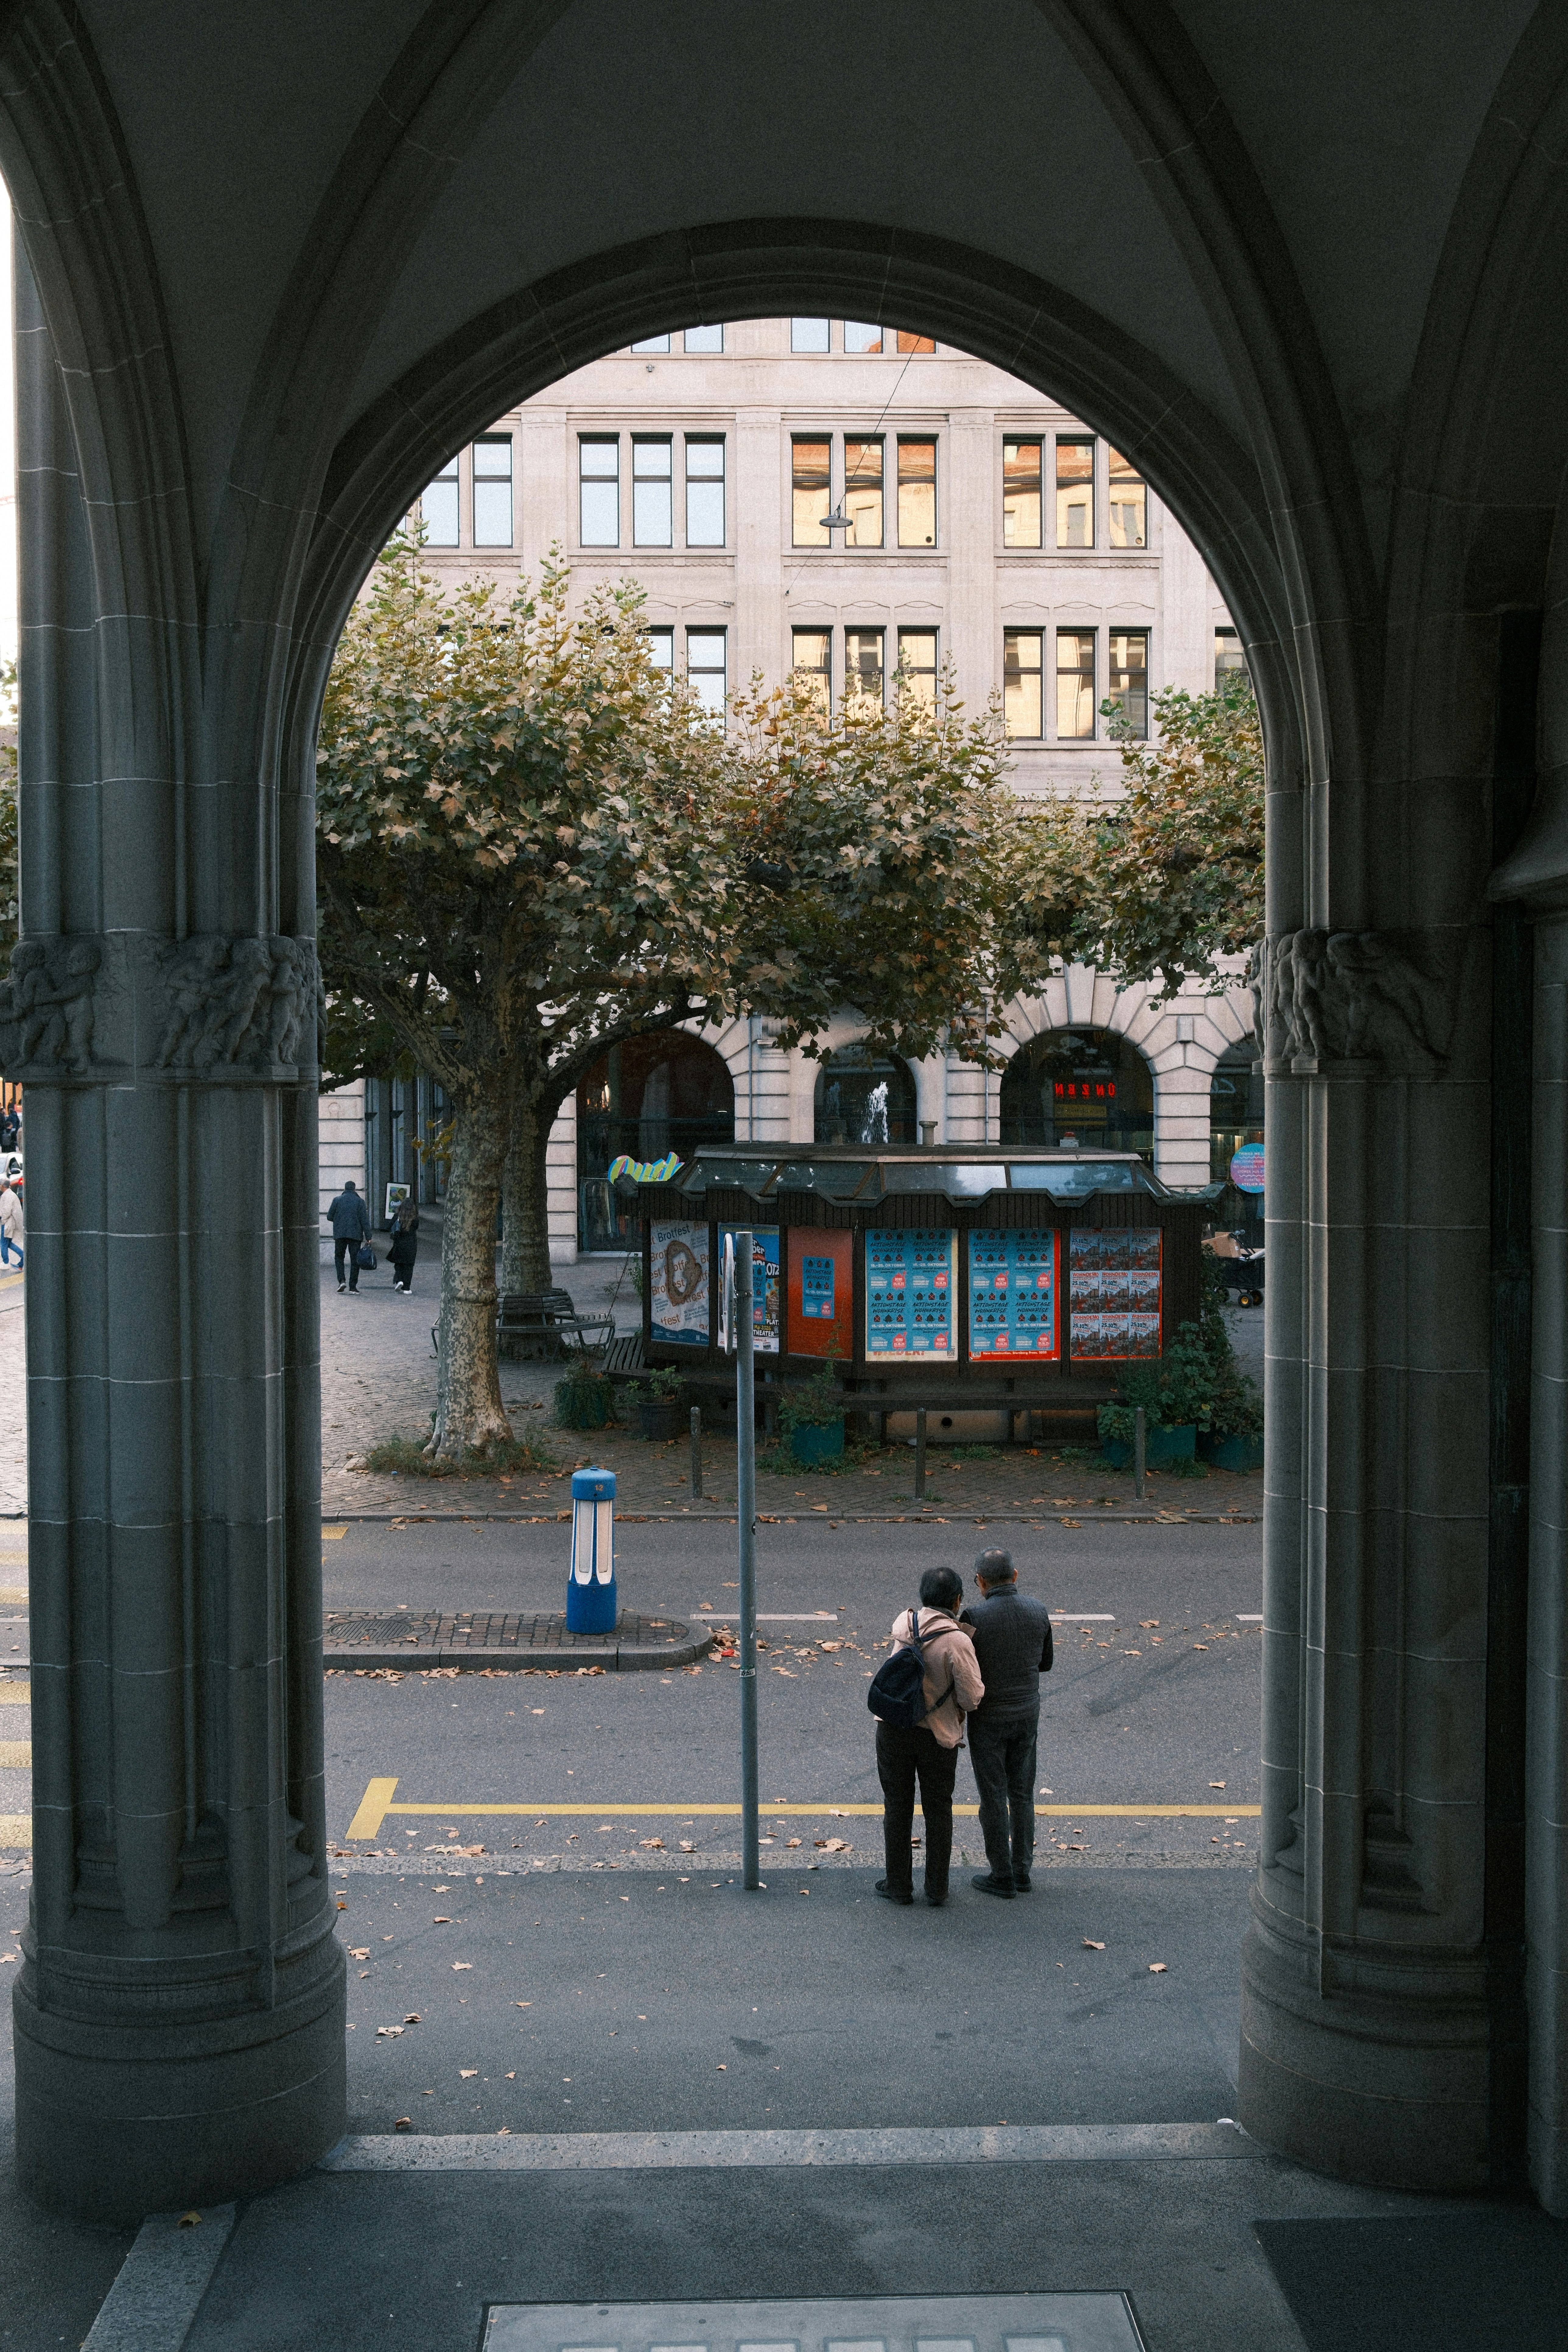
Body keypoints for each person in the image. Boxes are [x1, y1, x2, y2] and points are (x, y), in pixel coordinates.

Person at [875, 1566, 984, 1908]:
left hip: (893, 1729)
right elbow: (971, 1698)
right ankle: (936, 1888)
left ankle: (898, 1886)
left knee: (897, 1807)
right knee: (938, 1811)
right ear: (957, 1599)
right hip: (937, 1736)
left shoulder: (904, 1624)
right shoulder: (957, 1641)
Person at [961, 1547, 1054, 1897]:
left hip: (989, 1719)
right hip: (1027, 1714)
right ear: (1015, 1576)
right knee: (1022, 1794)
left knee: (993, 1797)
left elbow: (968, 1671)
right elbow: (1045, 1664)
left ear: (980, 1582)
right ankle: (1022, 1871)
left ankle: (1001, 1874)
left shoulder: (975, 1616)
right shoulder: (1038, 1611)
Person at [326, 1178, 371, 1294]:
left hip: (340, 1235)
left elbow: (329, 1217)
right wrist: (369, 1236)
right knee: (355, 1261)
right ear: (354, 1189)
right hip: (355, 1236)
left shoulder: (337, 1200)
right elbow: (364, 1221)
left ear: (345, 1189)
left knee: (339, 1257)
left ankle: (342, 1281)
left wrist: (339, 1220)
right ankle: (353, 1287)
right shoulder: (360, 1202)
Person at [387, 1197, 420, 1294]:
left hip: (399, 1243)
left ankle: (399, 1280)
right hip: (411, 1244)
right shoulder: (415, 1218)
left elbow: (389, 1227)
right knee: (409, 1266)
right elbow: (416, 1228)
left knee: (399, 1264)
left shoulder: (398, 1216)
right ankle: (407, 1288)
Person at [0, 1176, 23, 1270]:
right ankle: (24, 1257)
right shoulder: (10, 1195)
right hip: (10, 1223)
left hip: (8, 1223)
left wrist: (3, 1221)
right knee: (8, 1243)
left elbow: (6, 1212)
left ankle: (6, 1263)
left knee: (4, 1243)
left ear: (2, 1186)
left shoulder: (8, 1196)